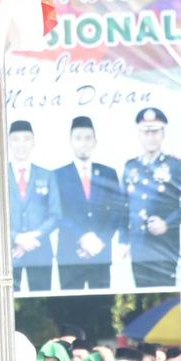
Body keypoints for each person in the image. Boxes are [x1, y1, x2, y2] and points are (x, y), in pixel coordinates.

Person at [121, 107, 181, 288]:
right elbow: (123, 206)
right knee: (141, 295)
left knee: (164, 293)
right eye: (146, 132)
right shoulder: (130, 167)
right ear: (139, 135)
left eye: (155, 132)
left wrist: (168, 223)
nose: (151, 137)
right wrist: (124, 241)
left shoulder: (175, 166)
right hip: (138, 244)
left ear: (163, 134)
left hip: (165, 244)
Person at [53, 115, 125, 291]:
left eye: (88, 138)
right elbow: (58, 212)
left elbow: (118, 210)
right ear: (71, 141)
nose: (83, 143)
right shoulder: (58, 175)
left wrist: (101, 240)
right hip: (70, 254)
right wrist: (83, 237)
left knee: (100, 309)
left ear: (95, 141)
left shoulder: (108, 173)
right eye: (78, 138)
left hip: (100, 253)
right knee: (69, 312)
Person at [6, 120, 60, 291]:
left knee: (42, 305)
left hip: (40, 252)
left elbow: (56, 214)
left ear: (33, 142)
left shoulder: (47, 175)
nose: (21, 144)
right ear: (8, 142)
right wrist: (17, 238)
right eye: (16, 139)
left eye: (26, 139)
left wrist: (33, 237)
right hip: (9, 253)